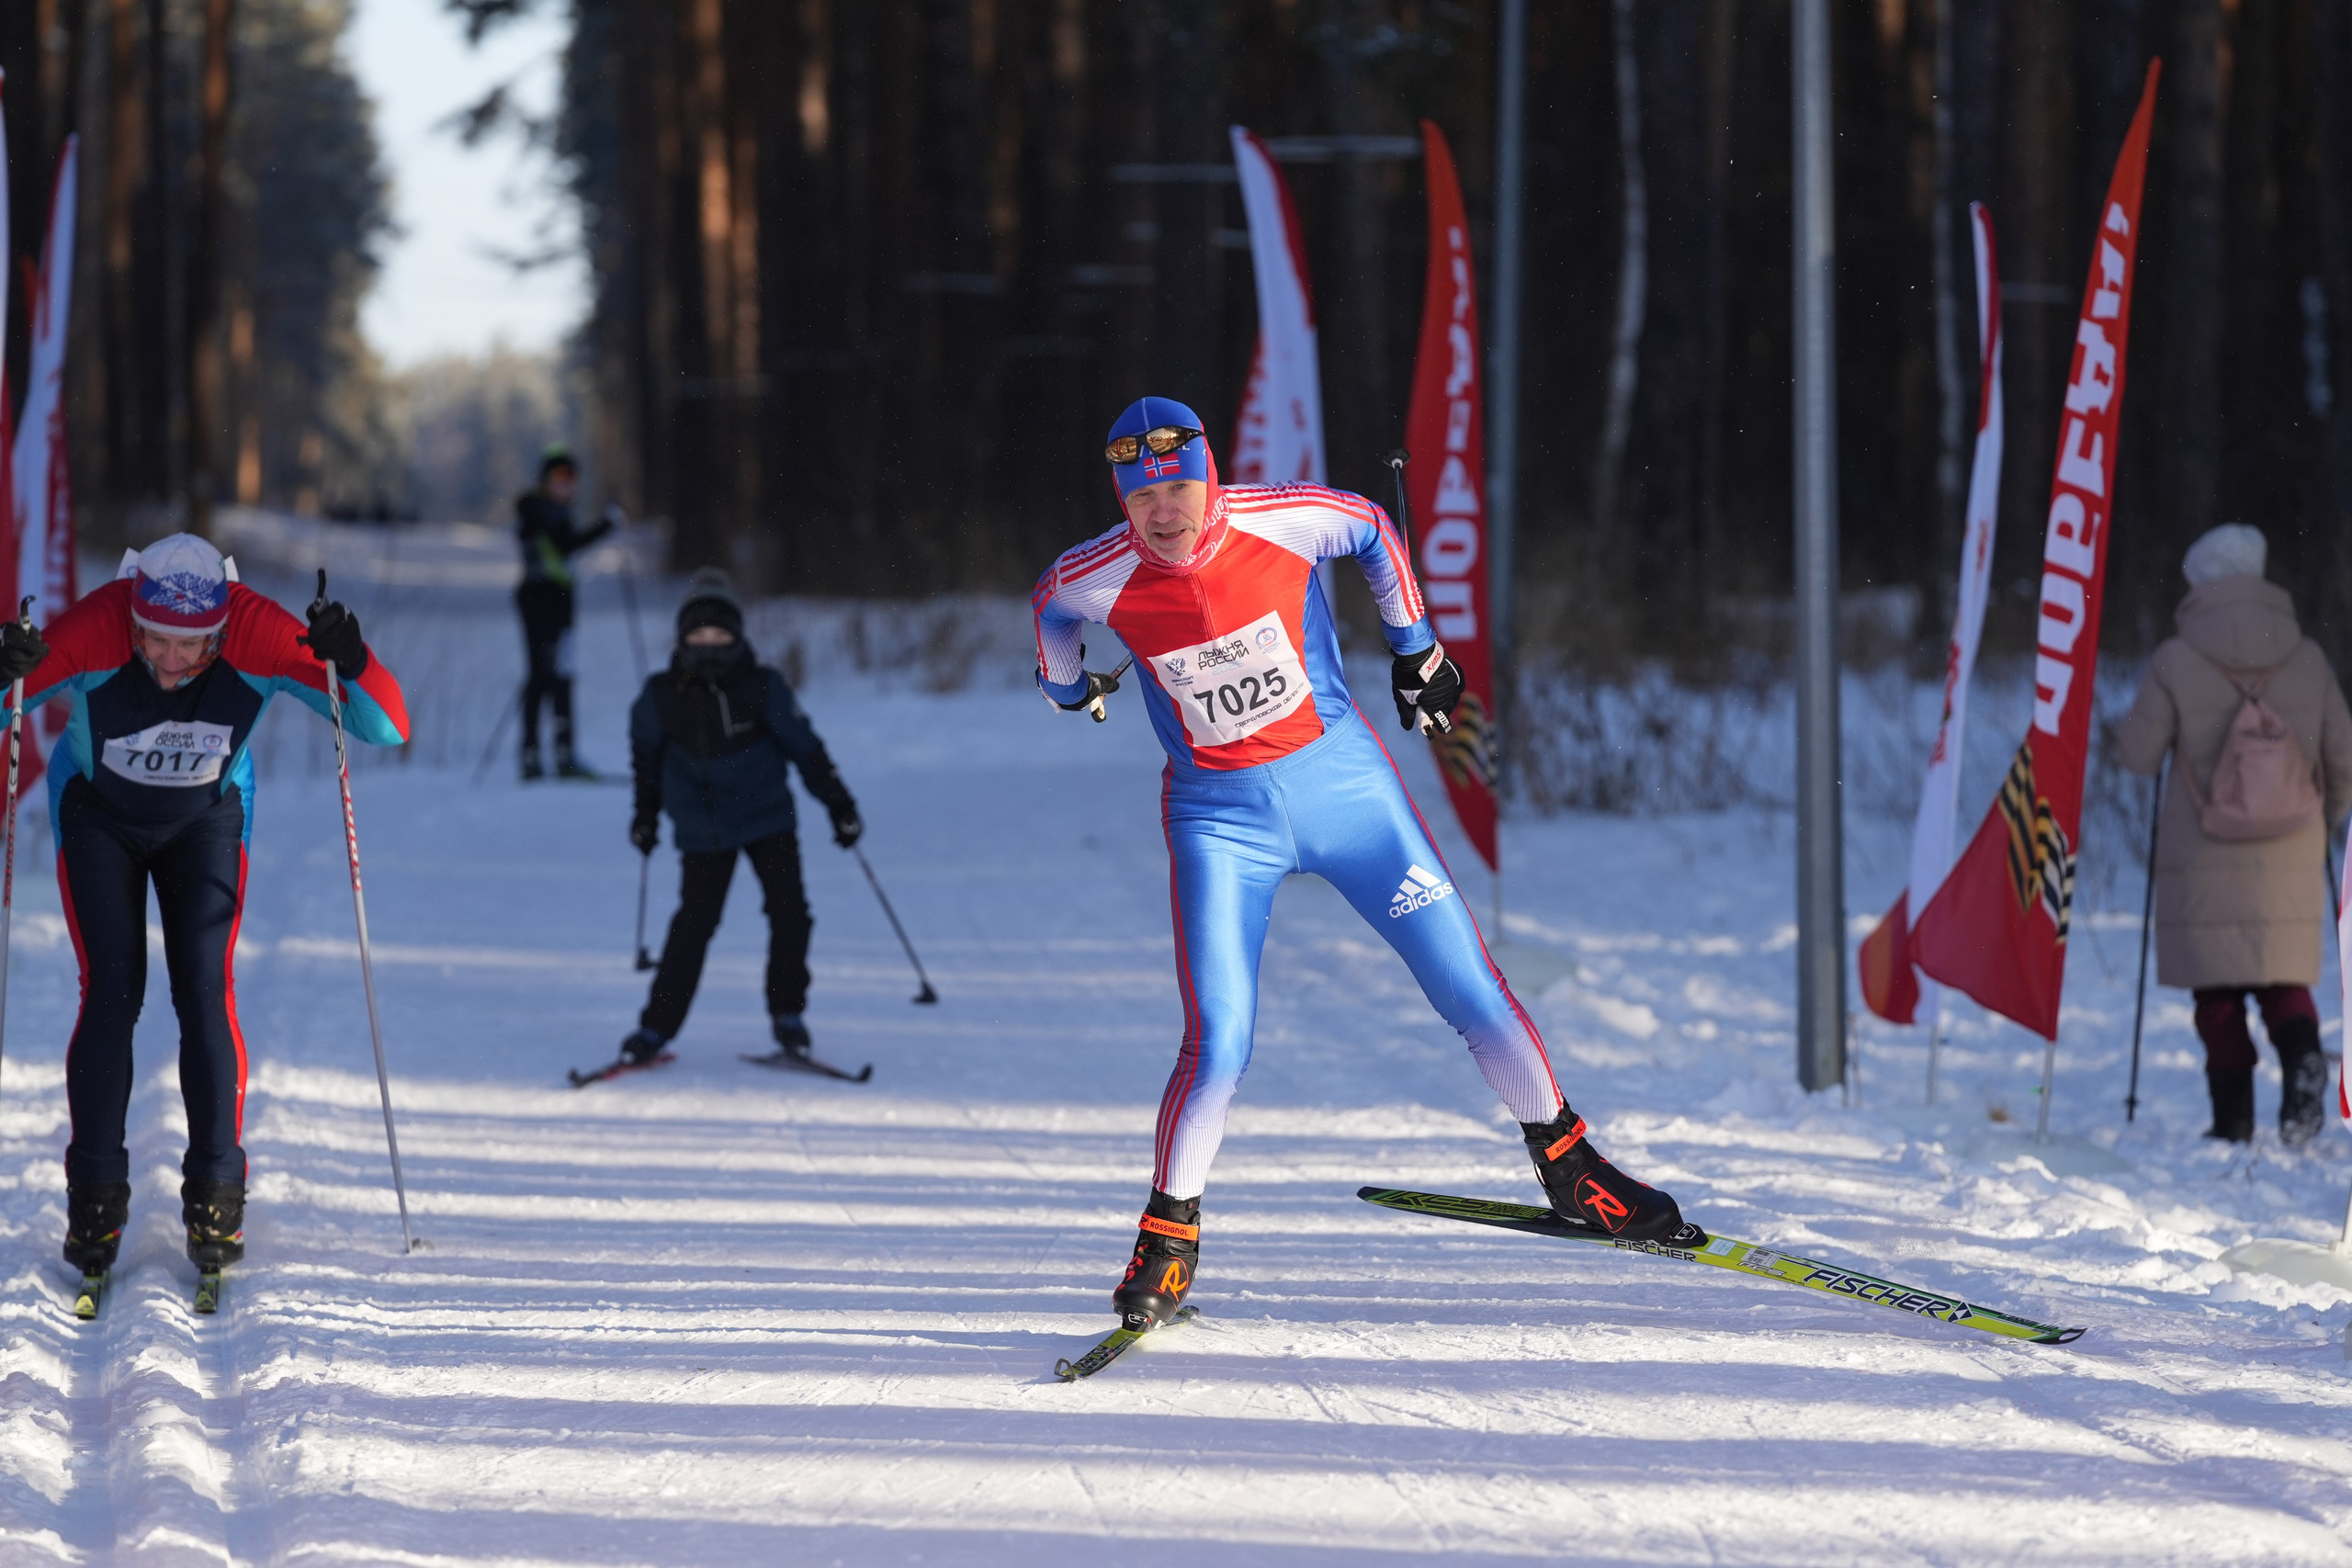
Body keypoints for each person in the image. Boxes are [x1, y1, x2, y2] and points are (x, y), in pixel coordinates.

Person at [1031, 396, 1696, 1335]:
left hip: (1348, 798)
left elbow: (1376, 528)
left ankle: (1573, 1170)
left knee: (1469, 986)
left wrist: (1416, 651)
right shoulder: (1094, 574)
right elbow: (1050, 613)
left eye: (1180, 487)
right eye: (1143, 502)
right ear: (1122, 504)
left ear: (1208, 475)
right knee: (1217, 1040)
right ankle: (1167, 1239)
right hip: (1220, 822)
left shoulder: (1284, 517)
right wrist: (1067, 689)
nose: (1165, 513)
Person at [0, 534, 408, 1278]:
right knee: (112, 990)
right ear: (134, 614)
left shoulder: (258, 629)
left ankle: (217, 1192)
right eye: (153, 640)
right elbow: (8, 704)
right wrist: (7, 669)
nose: (168, 663)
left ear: (222, 630)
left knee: (205, 989)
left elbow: (385, 724)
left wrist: (351, 660)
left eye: (191, 648)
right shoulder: (97, 623)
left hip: (206, 817)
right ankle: (95, 1194)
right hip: (97, 812)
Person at [2118, 523, 2352, 1145]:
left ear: (2202, 582)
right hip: (2292, 846)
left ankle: (2233, 1121)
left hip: (2204, 847)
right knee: (2282, 981)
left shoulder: (2174, 657)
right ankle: (2302, 1061)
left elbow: (2138, 755)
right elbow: (2344, 759)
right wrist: (2325, 818)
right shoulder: (2307, 656)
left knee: (2218, 995)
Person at [614, 569, 863, 1067]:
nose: (710, 644)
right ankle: (654, 1028)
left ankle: (789, 1017)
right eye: (698, 635)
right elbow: (645, 761)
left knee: (791, 915)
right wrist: (645, 818)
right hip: (703, 832)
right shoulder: (661, 696)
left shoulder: (764, 687)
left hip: (768, 819)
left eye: (721, 634)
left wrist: (839, 805)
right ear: (683, 638)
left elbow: (806, 749)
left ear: (738, 636)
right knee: (693, 926)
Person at [514, 445, 613, 780]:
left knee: (559, 677)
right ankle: (540, 754)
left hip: (560, 607)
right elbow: (568, 544)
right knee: (544, 677)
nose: (566, 486)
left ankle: (557, 753)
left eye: (571, 480)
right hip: (540, 607)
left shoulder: (546, 512)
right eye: (559, 479)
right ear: (545, 481)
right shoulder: (540, 512)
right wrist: (607, 526)